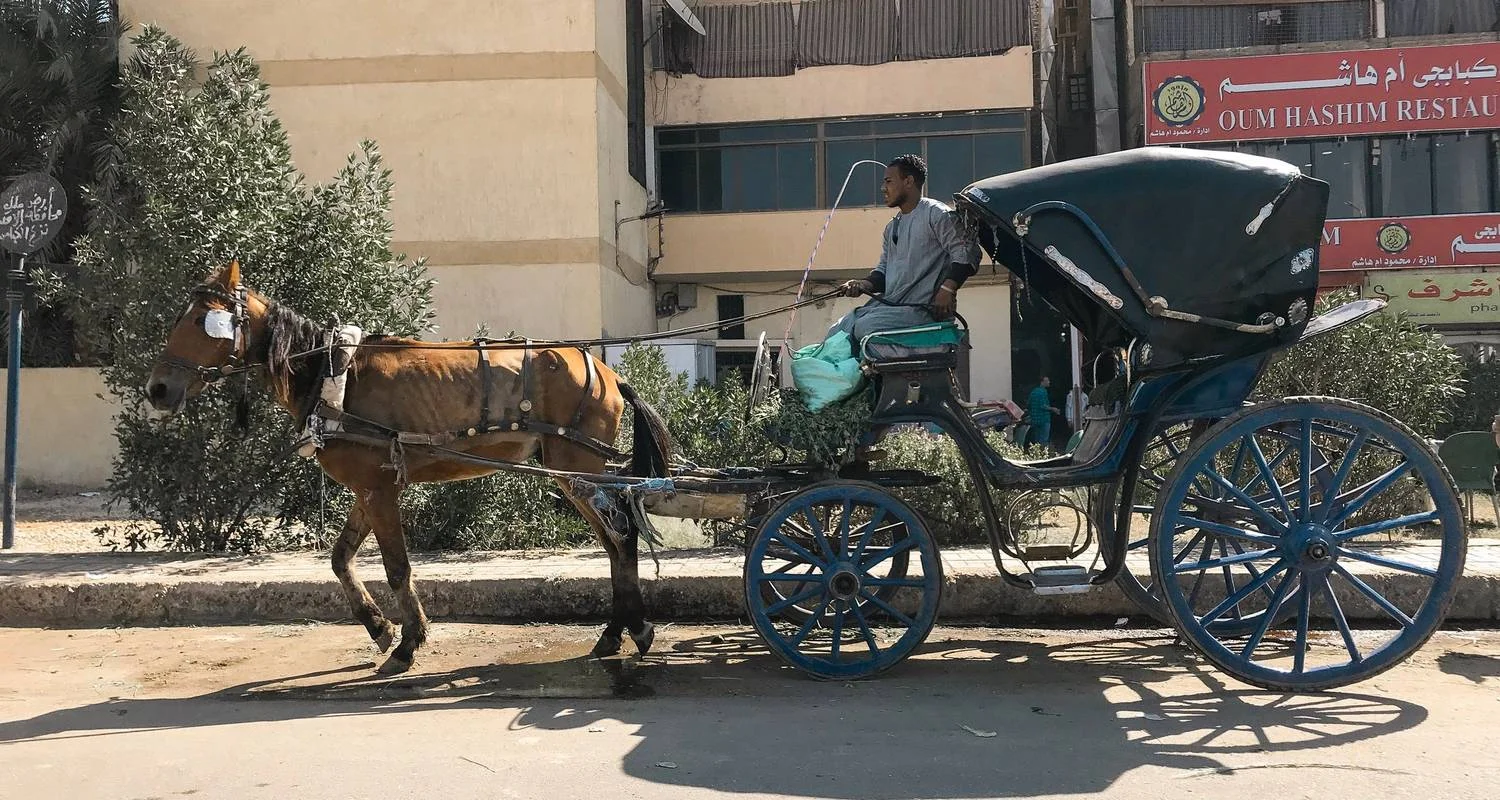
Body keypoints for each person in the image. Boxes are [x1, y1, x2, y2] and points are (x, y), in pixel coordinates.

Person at [830, 154, 980, 343]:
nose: (883, 188)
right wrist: (863, 285)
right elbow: (884, 271)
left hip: (922, 310)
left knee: (864, 327)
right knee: (838, 331)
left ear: (908, 181)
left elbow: (967, 253)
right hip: (891, 307)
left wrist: (947, 289)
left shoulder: (937, 214)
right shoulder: (892, 227)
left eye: (889, 181)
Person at [1025, 376, 1061, 450]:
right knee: (1044, 440)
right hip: (1044, 419)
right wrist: (1053, 409)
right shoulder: (1043, 391)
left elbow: (1028, 404)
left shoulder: (1033, 391)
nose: (1049, 382)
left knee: (1036, 440)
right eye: (1047, 381)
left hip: (1034, 419)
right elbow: (1043, 406)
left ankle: (1036, 454)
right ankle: (1043, 455)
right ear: (1042, 382)